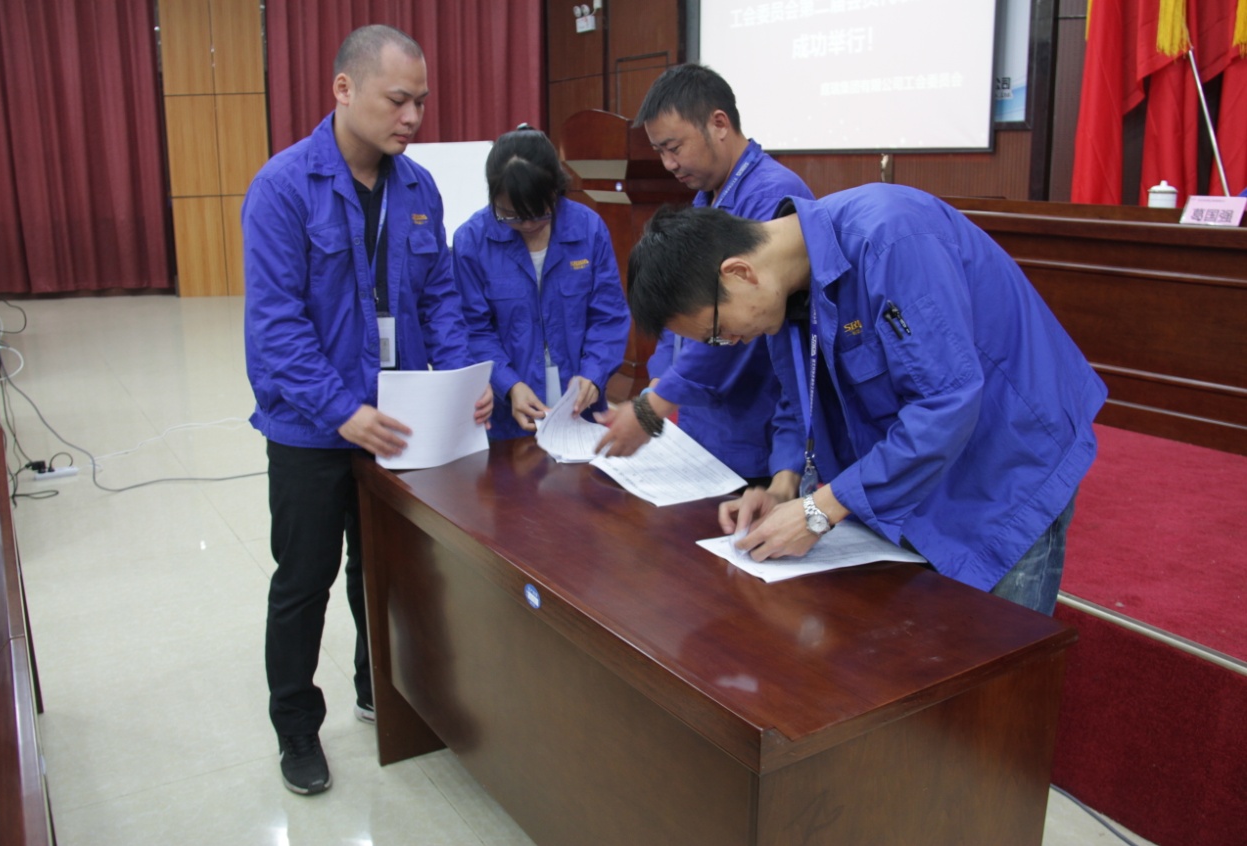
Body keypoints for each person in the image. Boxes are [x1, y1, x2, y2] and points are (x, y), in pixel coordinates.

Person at [625, 183, 1108, 615]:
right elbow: (801, 394)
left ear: (739, 272)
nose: (729, 343)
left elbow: (945, 404)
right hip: (924, 467)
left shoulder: (891, 240)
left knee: (995, 649)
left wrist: (821, 508)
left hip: (1009, 458)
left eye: (717, 332)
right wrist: (783, 482)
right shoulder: (782, 292)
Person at [242, 25, 492, 796]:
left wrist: (462, 377)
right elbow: (276, 327)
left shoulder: (418, 189)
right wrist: (339, 409)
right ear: (343, 90)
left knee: (382, 568)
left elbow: (439, 296)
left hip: (400, 419)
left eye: (420, 101)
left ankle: (376, 686)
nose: (412, 116)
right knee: (304, 579)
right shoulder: (284, 188)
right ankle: (295, 727)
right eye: (397, 99)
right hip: (312, 427)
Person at [595, 64, 812, 484]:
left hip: (755, 427)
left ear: (719, 124)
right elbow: (681, 311)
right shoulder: (705, 199)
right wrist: (660, 379)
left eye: (674, 147)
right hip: (702, 426)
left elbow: (735, 324)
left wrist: (654, 405)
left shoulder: (773, 195)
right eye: (659, 151)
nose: (668, 163)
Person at [454, 126, 629, 438]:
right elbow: (474, 330)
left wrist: (593, 374)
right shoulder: (471, 241)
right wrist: (509, 385)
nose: (527, 224)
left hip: (581, 410)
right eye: (511, 215)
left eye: (539, 213)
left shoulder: (588, 229)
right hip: (509, 415)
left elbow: (608, 317)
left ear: (555, 191)